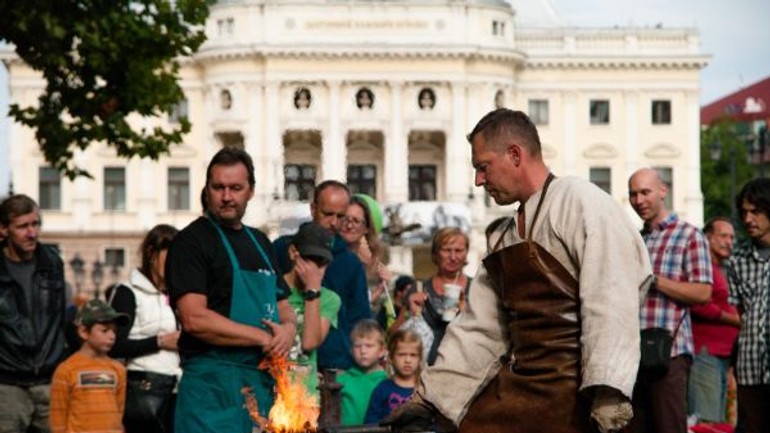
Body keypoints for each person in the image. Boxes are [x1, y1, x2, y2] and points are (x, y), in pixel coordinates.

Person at [384, 108, 651, 433]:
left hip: (579, 392)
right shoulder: (506, 235)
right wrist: (428, 399)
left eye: (483, 167)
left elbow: (611, 298)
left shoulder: (581, 202)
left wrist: (608, 391)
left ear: (514, 154)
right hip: (524, 386)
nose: (478, 180)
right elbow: (478, 329)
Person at [166, 147, 297, 433]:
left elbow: (284, 306)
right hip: (210, 390)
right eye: (218, 188)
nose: (227, 197)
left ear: (251, 191)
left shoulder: (261, 242)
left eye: (236, 188)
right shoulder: (190, 242)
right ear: (207, 189)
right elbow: (194, 319)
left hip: (260, 387)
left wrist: (287, 330)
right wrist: (262, 338)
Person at [627, 167, 713, 433]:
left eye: (645, 192)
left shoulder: (689, 235)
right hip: (633, 352)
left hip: (670, 352)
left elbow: (703, 293)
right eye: (633, 194)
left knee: (669, 426)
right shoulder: (635, 239)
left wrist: (655, 281)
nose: (639, 200)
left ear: (663, 191)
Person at [273, 180, 371, 371]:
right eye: (327, 214)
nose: (334, 222)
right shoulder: (281, 248)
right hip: (284, 362)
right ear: (313, 208)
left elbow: (360, 322)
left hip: (334, 366)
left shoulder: (350, 263)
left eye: (341, 216)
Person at [0, 194, 67, 433]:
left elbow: (61, 317)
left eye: (35, 224)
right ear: (4, 229)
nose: (32, 233)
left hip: (49, 380)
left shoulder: (52, 263)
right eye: (23, 226)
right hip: (7, 385)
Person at [108, 224, 181, 433]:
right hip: (143, 386)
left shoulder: (176, 294)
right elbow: (114, 345)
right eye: (171, 256)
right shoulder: (127, 292)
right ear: (151, 253)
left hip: (176, 386)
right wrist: (159, 342)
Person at [725, 178, 770, 433]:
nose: (748, 219)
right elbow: (741, 314)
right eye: (743, 212)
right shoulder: (737, 260)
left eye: (755, 211)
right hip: (751, 366)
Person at [688, 217, 740, 425]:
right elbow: (698, 303)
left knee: (717, 421)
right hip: (705, 353)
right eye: (723, 236)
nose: (729, 242)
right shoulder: (702, 266)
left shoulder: (723, 268)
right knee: (706, 420)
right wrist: (733, 319)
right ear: (708, 238)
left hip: (723, 356)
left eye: (732, 237)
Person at [49, 299, 129, 433]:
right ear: (84, 332)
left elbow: (119, 411)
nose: (112, 336)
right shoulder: (66, 370)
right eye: (104, 330)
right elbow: (58, 416)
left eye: (114, 331)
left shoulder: (119, 370)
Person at [283, 221, 341, 401]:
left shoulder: (330, 299)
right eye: (310, 259)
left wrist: (312, 290)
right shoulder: (274, 289)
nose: (315, 269)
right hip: (273, 390)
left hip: (305, 397)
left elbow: (309, 343)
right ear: (294, 253)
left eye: (322, 262)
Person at [405, 227, 471, 365]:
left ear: (466, 254)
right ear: (435, 254)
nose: (453, 257)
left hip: (465, 367)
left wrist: (467, 314)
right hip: (426, 368)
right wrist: (408, 313)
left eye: (458, 251)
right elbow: (396, 333)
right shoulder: (419, 288)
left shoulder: (477, 288)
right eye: (447, 250)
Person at [340, 194, 392, 314]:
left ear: (366, 228)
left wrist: (380, 289)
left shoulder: (364, 262)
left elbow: (359, 305)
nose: (349, 225)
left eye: (356, 221)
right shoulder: (330, 256)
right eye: (345, 219)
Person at [364, 329, 422, 424]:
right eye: (402, 354)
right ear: (391, 358)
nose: (408, 360)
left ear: (419, 359)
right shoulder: (382, 389)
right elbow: (370, 423)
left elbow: (434, 423)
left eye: (413, 355)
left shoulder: (424, 390)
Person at [338, 319, 387, 426]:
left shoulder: (386, 381)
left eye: (369, 346)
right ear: (351, 350)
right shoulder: (342, 379)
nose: (363, 351)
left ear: (382, 351)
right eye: (357, 346)